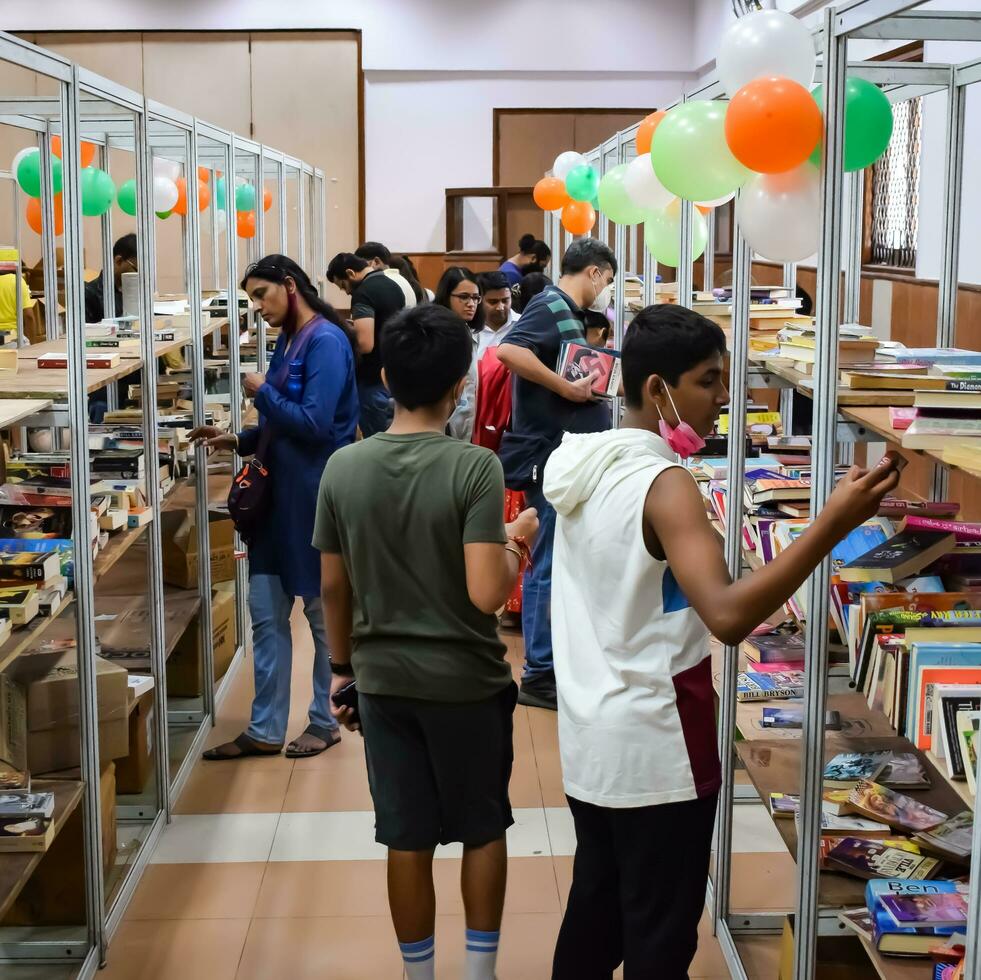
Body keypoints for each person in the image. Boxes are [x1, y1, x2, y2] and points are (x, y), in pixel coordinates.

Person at [544, 304, 903, 978]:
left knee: (596, 915)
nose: (722, 399)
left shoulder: (587, 463)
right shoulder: (664, 483)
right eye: (707, 382)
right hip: (658, 746)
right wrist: (829, 522)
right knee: (659, 933)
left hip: (593, 736)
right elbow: (727, 617)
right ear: (657, 389)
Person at [313, 303, 538, 980]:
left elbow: (332, 588)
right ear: (462, 385)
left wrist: (341, 669)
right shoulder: (473, 469)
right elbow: (484, 593)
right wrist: (516, 543)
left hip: (383, 682)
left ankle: (419, 974)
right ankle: (479, 972)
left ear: (385, 376)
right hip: (466, 683)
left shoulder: (344, 469)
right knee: (482, 827)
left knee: (404, 837)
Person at [194, 255, 359, 761]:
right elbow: (279, 427)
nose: (258, 307)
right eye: (251, 299)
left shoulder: (325, 341)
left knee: (318, 613)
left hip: (311, 499)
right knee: (266, 615)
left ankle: (324, 720)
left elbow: (313, 424)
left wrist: (262, 392)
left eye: (262, 294)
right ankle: (265, 728)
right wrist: (238, 439)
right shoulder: (289, 339)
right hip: (274, 499)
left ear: (290, 285)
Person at [496, 238, 617, 710]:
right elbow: (509, 353)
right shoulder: (550, 303)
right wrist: (565, 388)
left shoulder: (563, 309)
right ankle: (539, 672)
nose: (605, 290)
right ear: (593, 272)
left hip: (563, 455)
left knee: (556, 557)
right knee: (545, 562)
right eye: (607, 281)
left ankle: (550, 664)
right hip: (548, 456)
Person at [326, 251, 405, 437]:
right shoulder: (393, 285)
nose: (346, 291)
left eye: (343, 285)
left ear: (351, 273)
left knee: (377, 440)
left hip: (371, 381)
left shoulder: (363, 293)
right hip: (393, 375)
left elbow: (365, 343)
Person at [434, 266, 483, 442]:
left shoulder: (467, 330)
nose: (471, 303)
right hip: (442, 422)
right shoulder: (438, 332)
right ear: (447, 296)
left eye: (476, 298)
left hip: (465, 419)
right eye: (463, 297)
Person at [85, 232, 137, 323]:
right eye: (136, 270)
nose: (140, 277)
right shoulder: (89, 295)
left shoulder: (136, 293)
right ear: (119, 261)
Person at [355, 241, 418, 309]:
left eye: (360, 268)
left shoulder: (377, 285)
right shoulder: (404, 280)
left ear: (376, 262)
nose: (359, 274)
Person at [476, 271, 517, 360]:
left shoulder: (523, 324)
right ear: (479, 300)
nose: (500, 307)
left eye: (505, 300)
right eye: (493, 302)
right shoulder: (470, 330)